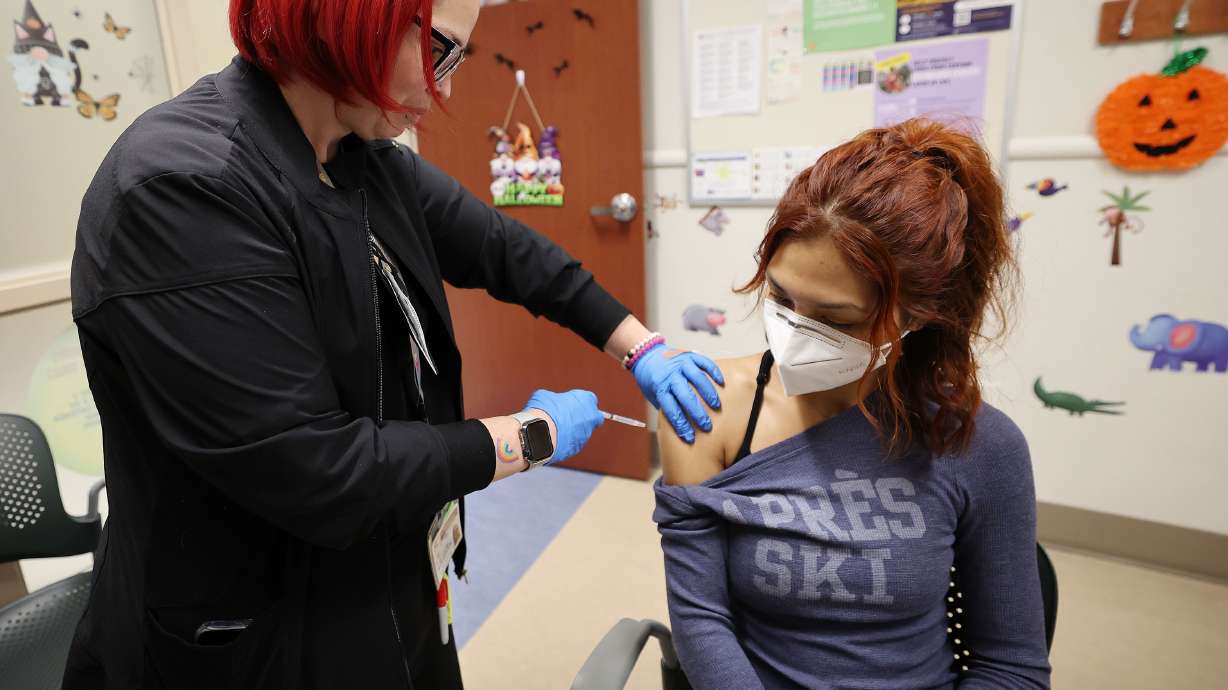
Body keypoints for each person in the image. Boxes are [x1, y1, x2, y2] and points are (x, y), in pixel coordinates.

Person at [64, 0, 722, 687]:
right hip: (249, 623)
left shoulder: (360, 158)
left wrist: (638, 346)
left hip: (385, 560)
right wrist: (530, 435)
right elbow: (320, 470)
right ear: (353, 15)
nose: (448, 89)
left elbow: (507, 252)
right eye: (440, 52)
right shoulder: (182, 188)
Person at [653, 119, 1051, 689]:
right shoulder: (706, 408)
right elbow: (702, 621)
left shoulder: (981, 445)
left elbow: (1011, 669)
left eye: (835, 319)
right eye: (781, 299)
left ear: (917, 317)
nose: (792, 332)